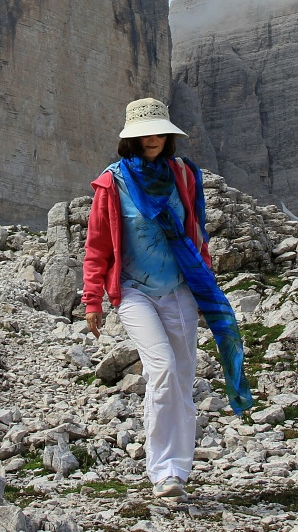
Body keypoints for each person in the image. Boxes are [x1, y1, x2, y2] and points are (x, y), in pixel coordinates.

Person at [83, 97, 252, 500]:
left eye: (159, 131)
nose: (154, 138)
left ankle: (178, 469)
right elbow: (97, 245)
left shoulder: (183, 175)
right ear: (132, 138)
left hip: (180, 289)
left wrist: (204, 274)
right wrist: (93, 299)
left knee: (181, 376)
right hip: (134, 291)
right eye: (145, 132)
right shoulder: (113, 183)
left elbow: (197, 231)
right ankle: (161, 470)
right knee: (160, 368)